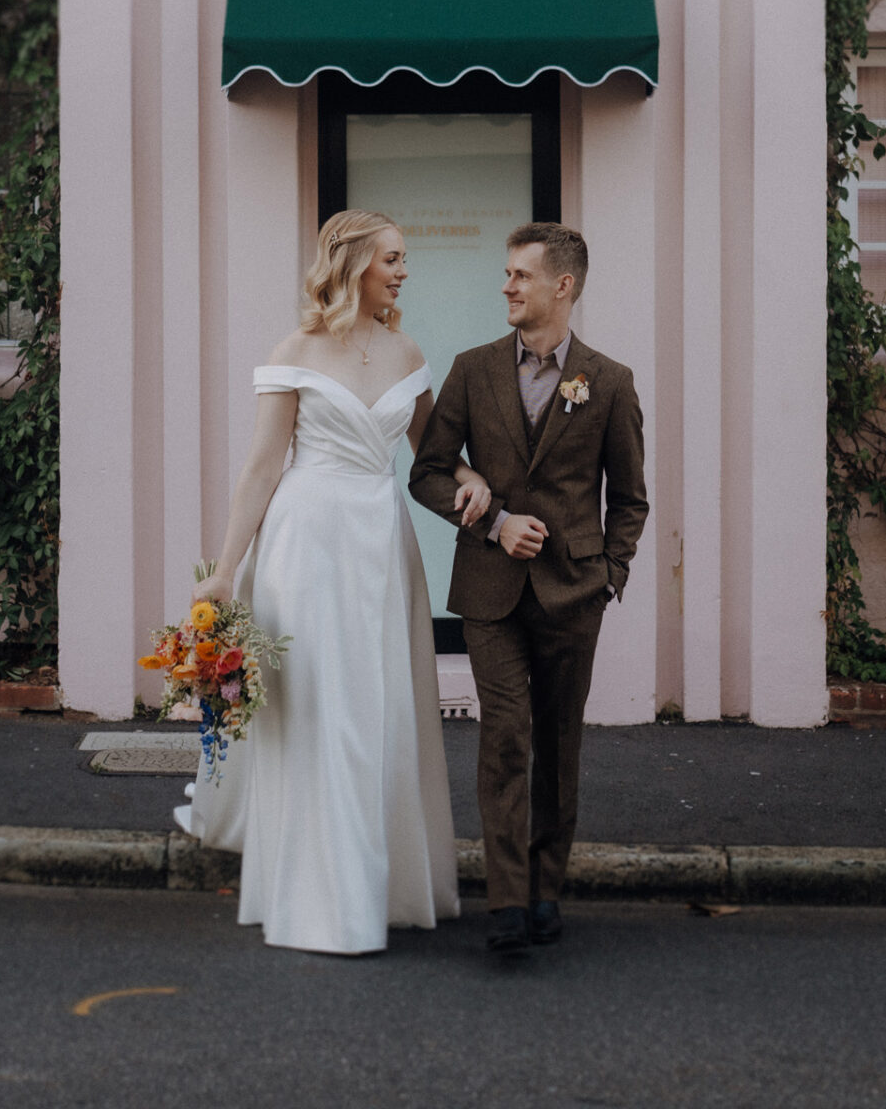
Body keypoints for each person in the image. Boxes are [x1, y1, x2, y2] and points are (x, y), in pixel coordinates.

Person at [181, 209, 483, 955]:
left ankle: (383, 887)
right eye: (392, 258)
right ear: (352, 263)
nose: (404, 270)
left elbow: (434, 456)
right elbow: (261, 468)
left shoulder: (406, 349)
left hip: (379, 544)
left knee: (379, 709)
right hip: (307, 543)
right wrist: (224, 570)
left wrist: (476, 481)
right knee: (320, 710)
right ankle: (321, 896)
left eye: (405, 258)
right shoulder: (296, 351)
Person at [410, 222, 648, 956]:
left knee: (558, 744)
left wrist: (610, 575)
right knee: (506, 737)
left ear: (563, 286)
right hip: (489, 590)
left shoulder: (609, 382)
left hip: (574, 593)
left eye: (520, 275)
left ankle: (549, 888)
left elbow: (630, 498)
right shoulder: (472, 370)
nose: (507, 287)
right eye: (507, 275)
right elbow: (427, 471)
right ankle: (508, 901)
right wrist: (493, 522)